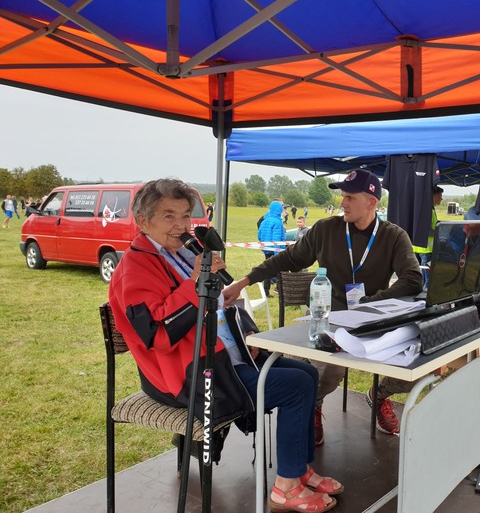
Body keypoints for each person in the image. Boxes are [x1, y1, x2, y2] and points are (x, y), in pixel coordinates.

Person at [108, 178, 341, 512]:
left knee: (306, 373)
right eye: (169, 216)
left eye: (186, 216)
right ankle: (285, 487)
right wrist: (195, 283)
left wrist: (246, 337)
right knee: (294, 387)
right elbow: (158, 335)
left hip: (223, 358)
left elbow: (221, 309)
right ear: (143, 221)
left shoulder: (180, 254)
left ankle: (299, 469)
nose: (181, 226)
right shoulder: (136, 267)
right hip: (185, 375)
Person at [224, 169, 423, 443]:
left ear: (372, 202)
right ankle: (314, 405)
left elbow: (413, 278)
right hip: (330, 320)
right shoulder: (326, 229)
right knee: (330, 367)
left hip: (374, 319)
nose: (343, 203)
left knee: (421, 361)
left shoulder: (393, 235)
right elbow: (288, 259)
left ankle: (379, 395)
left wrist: (373, 301)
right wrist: (244, 281)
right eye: (342, 196)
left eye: (350, 197)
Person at [412, 184, 443, 290]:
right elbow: (427, 230)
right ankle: (425, 297)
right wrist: (440, 231)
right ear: (434, 197)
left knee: (422, 276)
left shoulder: (427, 208)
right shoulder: (428, 210)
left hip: (418, 247)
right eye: (440, 196)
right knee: (428, 278)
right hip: (426, 250)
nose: (442, 199)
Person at [258, 200, 286, 295]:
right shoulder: (277, 222)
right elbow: (276, 239)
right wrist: (277, 252)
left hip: (266, 249)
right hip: (276, 250)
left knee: (268, 270)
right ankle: (279, 290)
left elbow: (259, 235)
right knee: (281, 270)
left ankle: (266, 291)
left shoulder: (264, 221)